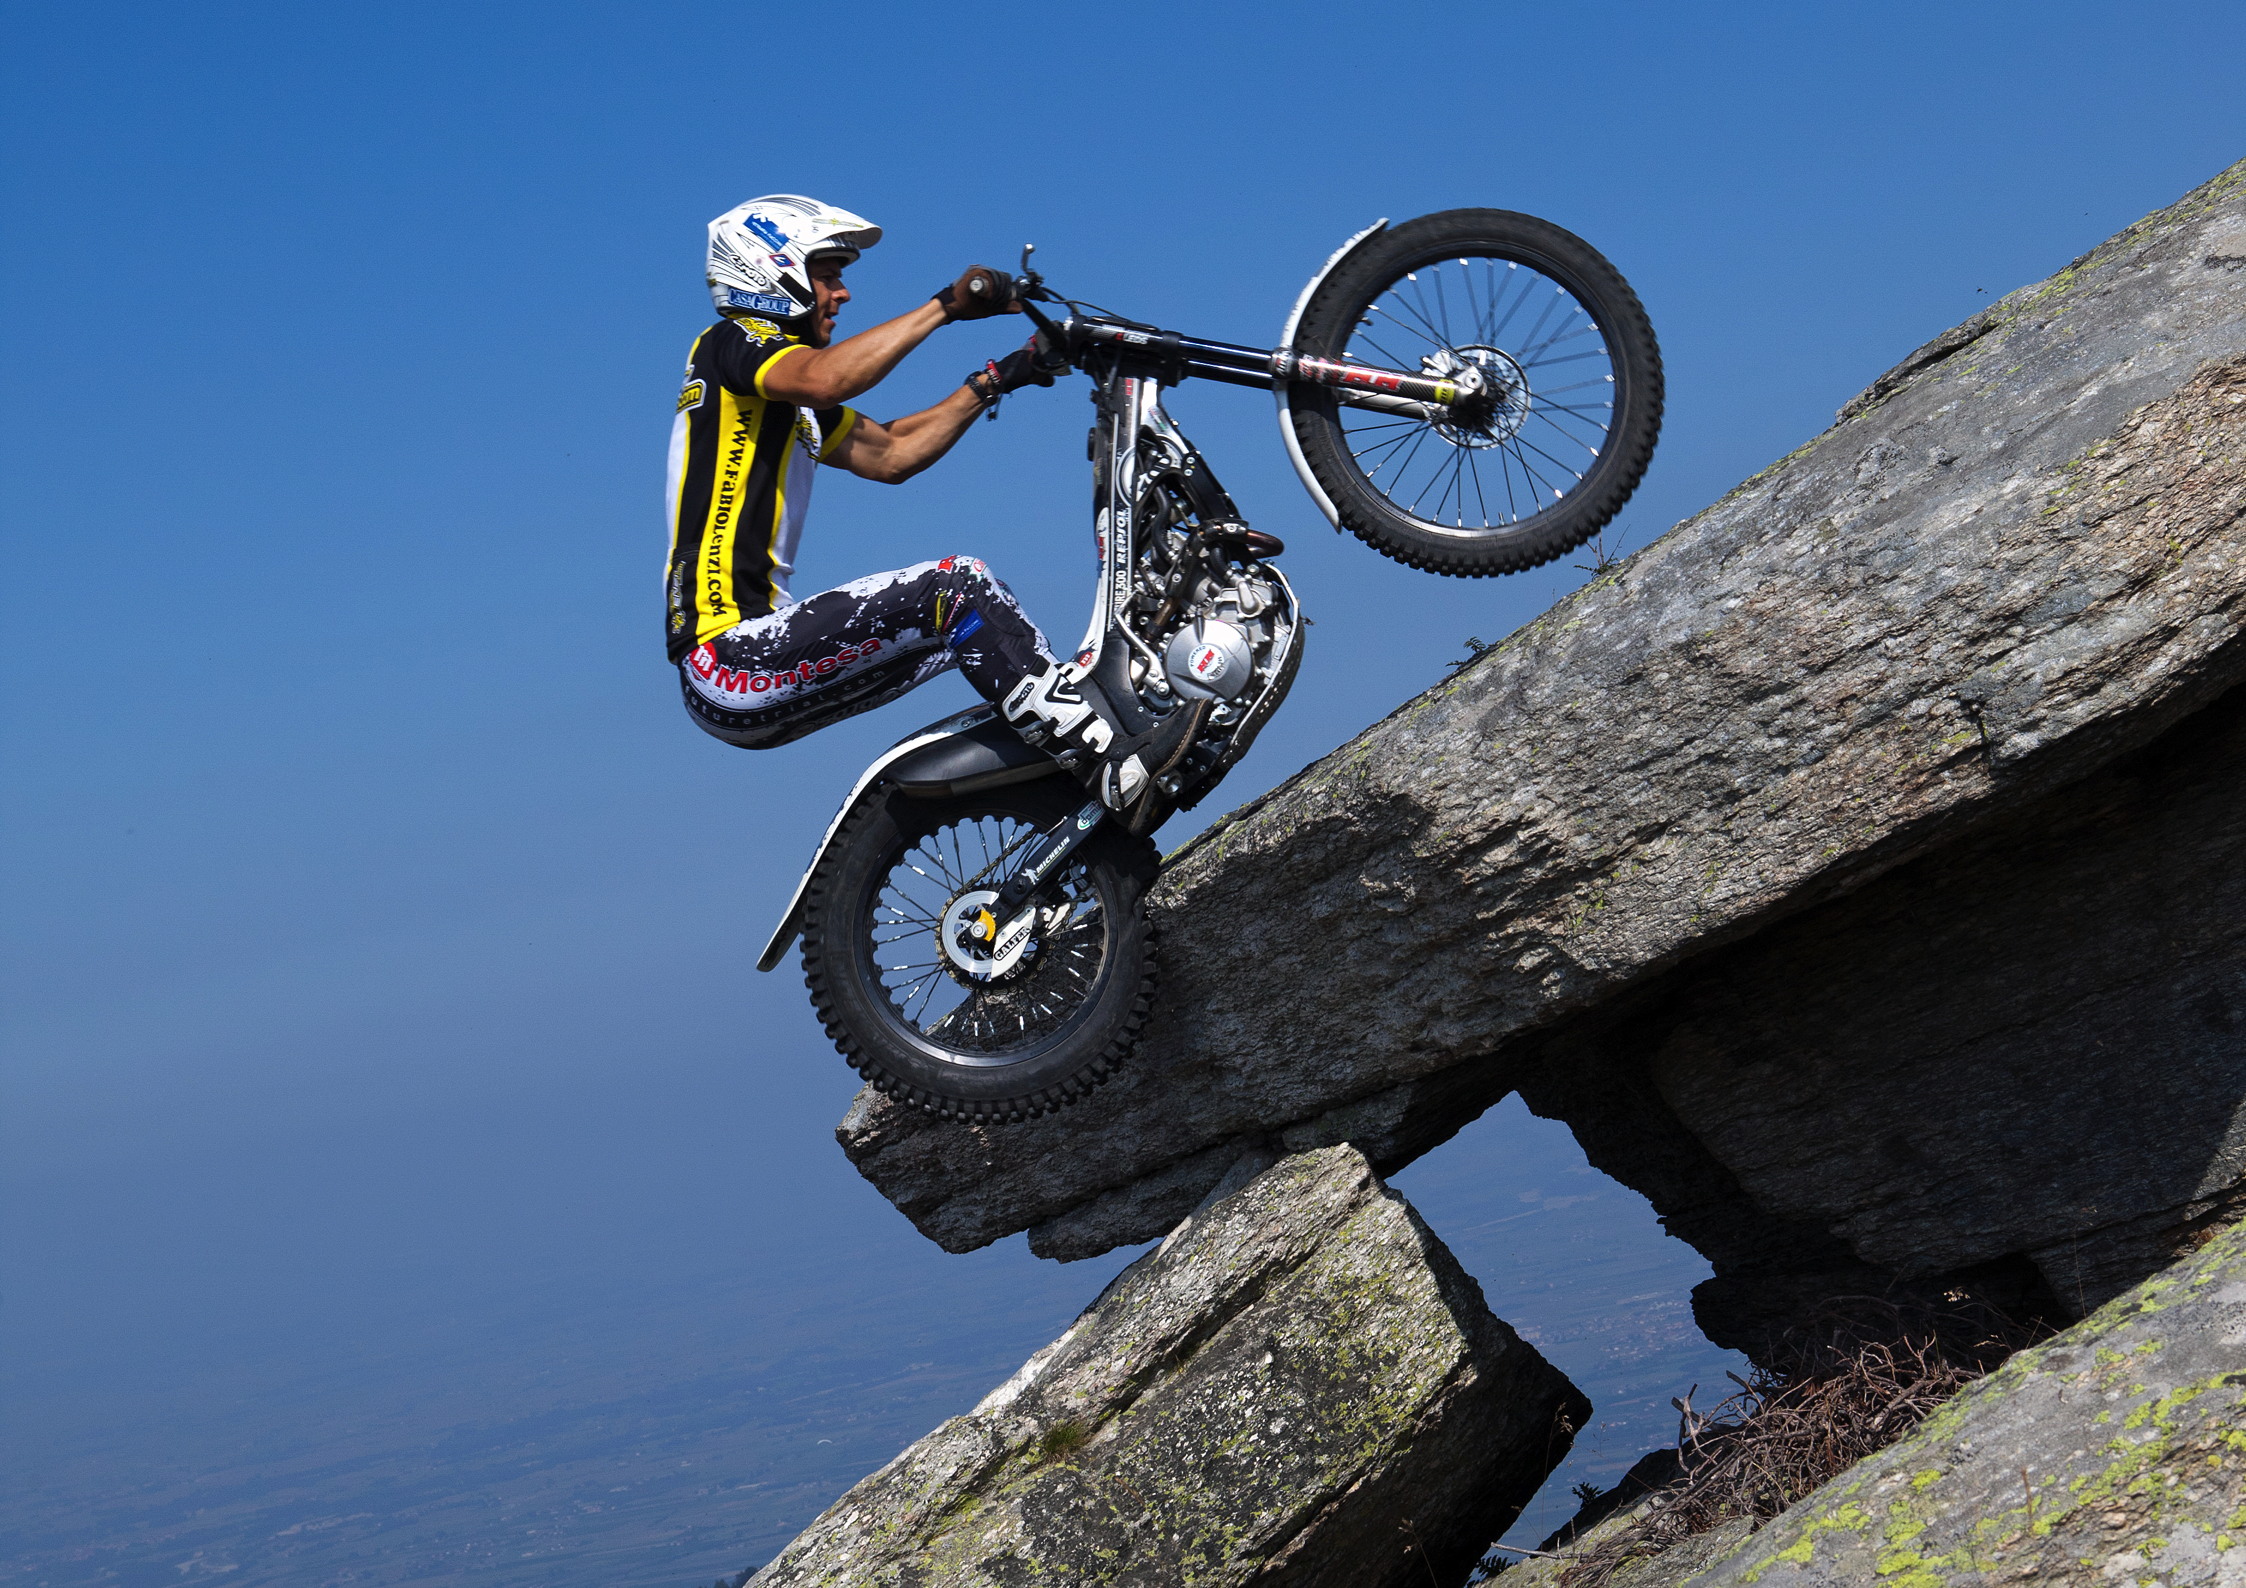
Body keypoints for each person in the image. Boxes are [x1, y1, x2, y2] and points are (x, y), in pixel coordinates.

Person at [664, 194, 1204, 815]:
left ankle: (1069, 802)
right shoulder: (729, 345)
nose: (840, 294)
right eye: (828, 274)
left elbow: (893, 452)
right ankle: (1109, 762)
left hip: (742, 679)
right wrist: (945, 306)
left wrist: (1002, 375)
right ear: (772, 270)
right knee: (955, 587)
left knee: (980, 635)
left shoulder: (786, 399)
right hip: (730, 658)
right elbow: (828, 378)